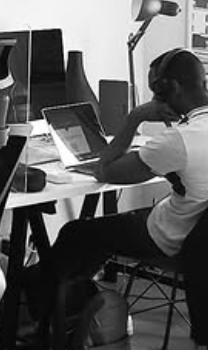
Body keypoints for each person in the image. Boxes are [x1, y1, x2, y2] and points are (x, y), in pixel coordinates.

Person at [48, 48, 208, 281]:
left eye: (156, 91)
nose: (155, 99)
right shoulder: (183, 137)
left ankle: (39, 298)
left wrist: (135, 117)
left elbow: (104, 171)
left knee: (75, 233)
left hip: (173, 239)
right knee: (107, 231)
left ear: (172, 88)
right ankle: (79, 295)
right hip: (196, 234)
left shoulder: (178, 140)